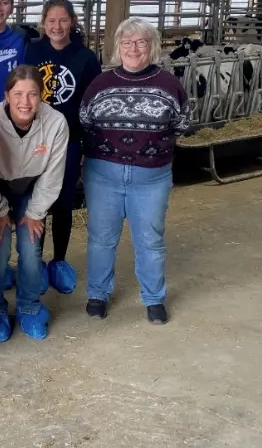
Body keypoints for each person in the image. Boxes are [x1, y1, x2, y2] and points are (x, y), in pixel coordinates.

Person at [79, 17, 190, 325]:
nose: (133, 48)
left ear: (151, 46)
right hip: (103, 174)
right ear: (118, 47)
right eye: (126, 42)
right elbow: (85, 120)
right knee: (101, 237)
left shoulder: (169, 84)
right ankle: (98, 293)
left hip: (151, 177)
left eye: (141, 42)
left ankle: (154, 298)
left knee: (150, 238)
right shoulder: (100, 84)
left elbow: (182, 122)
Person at [0, 65, 69, 342]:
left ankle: (29, 306)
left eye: (32, 94)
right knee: (1, 243)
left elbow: (53, 175)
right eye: (18, 94)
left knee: (30, 247)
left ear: (41, 97)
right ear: (6, 95)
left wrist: (35, 212)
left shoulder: (56, 123)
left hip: (32, 188)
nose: (25, 102)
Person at [24, 0, 102, 294]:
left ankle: (59, 260)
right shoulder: (32, 50)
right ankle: (36, 261)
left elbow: (92, 104)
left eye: (63, 20)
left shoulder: (86, 58)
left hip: (69, 140)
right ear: (43, 23)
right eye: (51, 21)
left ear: (72, 22)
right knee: (37, 202)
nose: (57, 26)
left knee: (64, 202)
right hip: (36, 139)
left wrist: (86, 145)